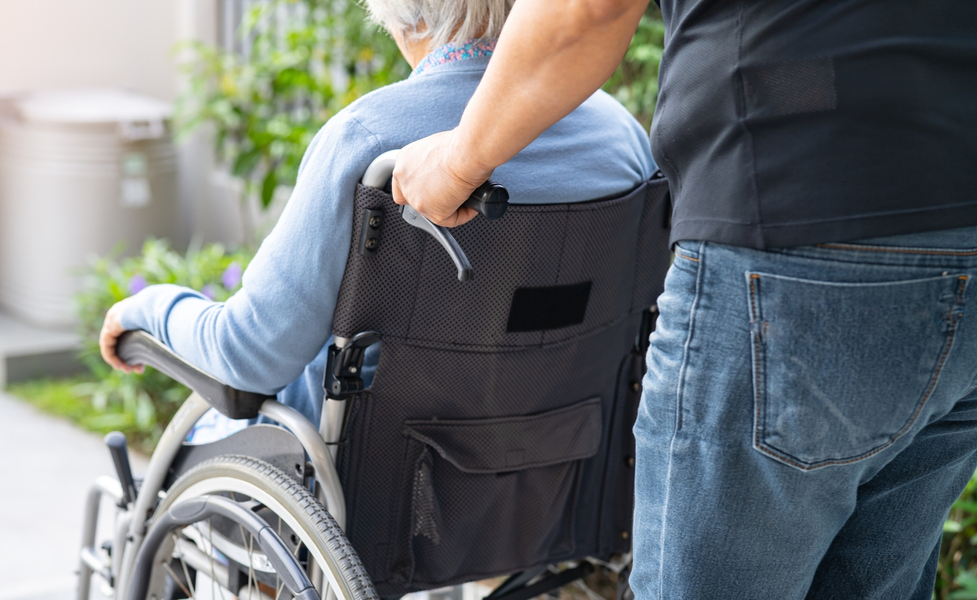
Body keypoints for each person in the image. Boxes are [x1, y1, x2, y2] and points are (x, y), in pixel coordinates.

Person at [391, 0, 977, 597]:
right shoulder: (617, 138)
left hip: (791, 225)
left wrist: (459, 160)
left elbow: (587, 8)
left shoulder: (368, 131)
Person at [99, 0, 655, 439]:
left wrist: (147, 307)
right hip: (551, 461)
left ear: (402, 17)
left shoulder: (368, 136)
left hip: (377, 480)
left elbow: (252, 353)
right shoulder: (623, 136)